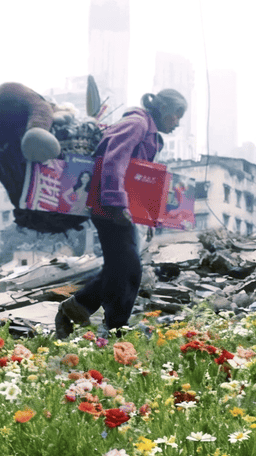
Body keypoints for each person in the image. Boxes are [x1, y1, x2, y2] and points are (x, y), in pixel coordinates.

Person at [55, 89, 187, 339]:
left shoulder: (146, 129)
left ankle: (78, 310)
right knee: (129, 268)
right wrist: (116, 204)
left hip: (119, 207)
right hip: (109, 206)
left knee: (120, 268)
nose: (177, 122)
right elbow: (113, 161)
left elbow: (139, 178)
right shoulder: (136, 124)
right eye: (176, 115)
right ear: (163, 109)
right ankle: (115, 328)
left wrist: (148, 216)